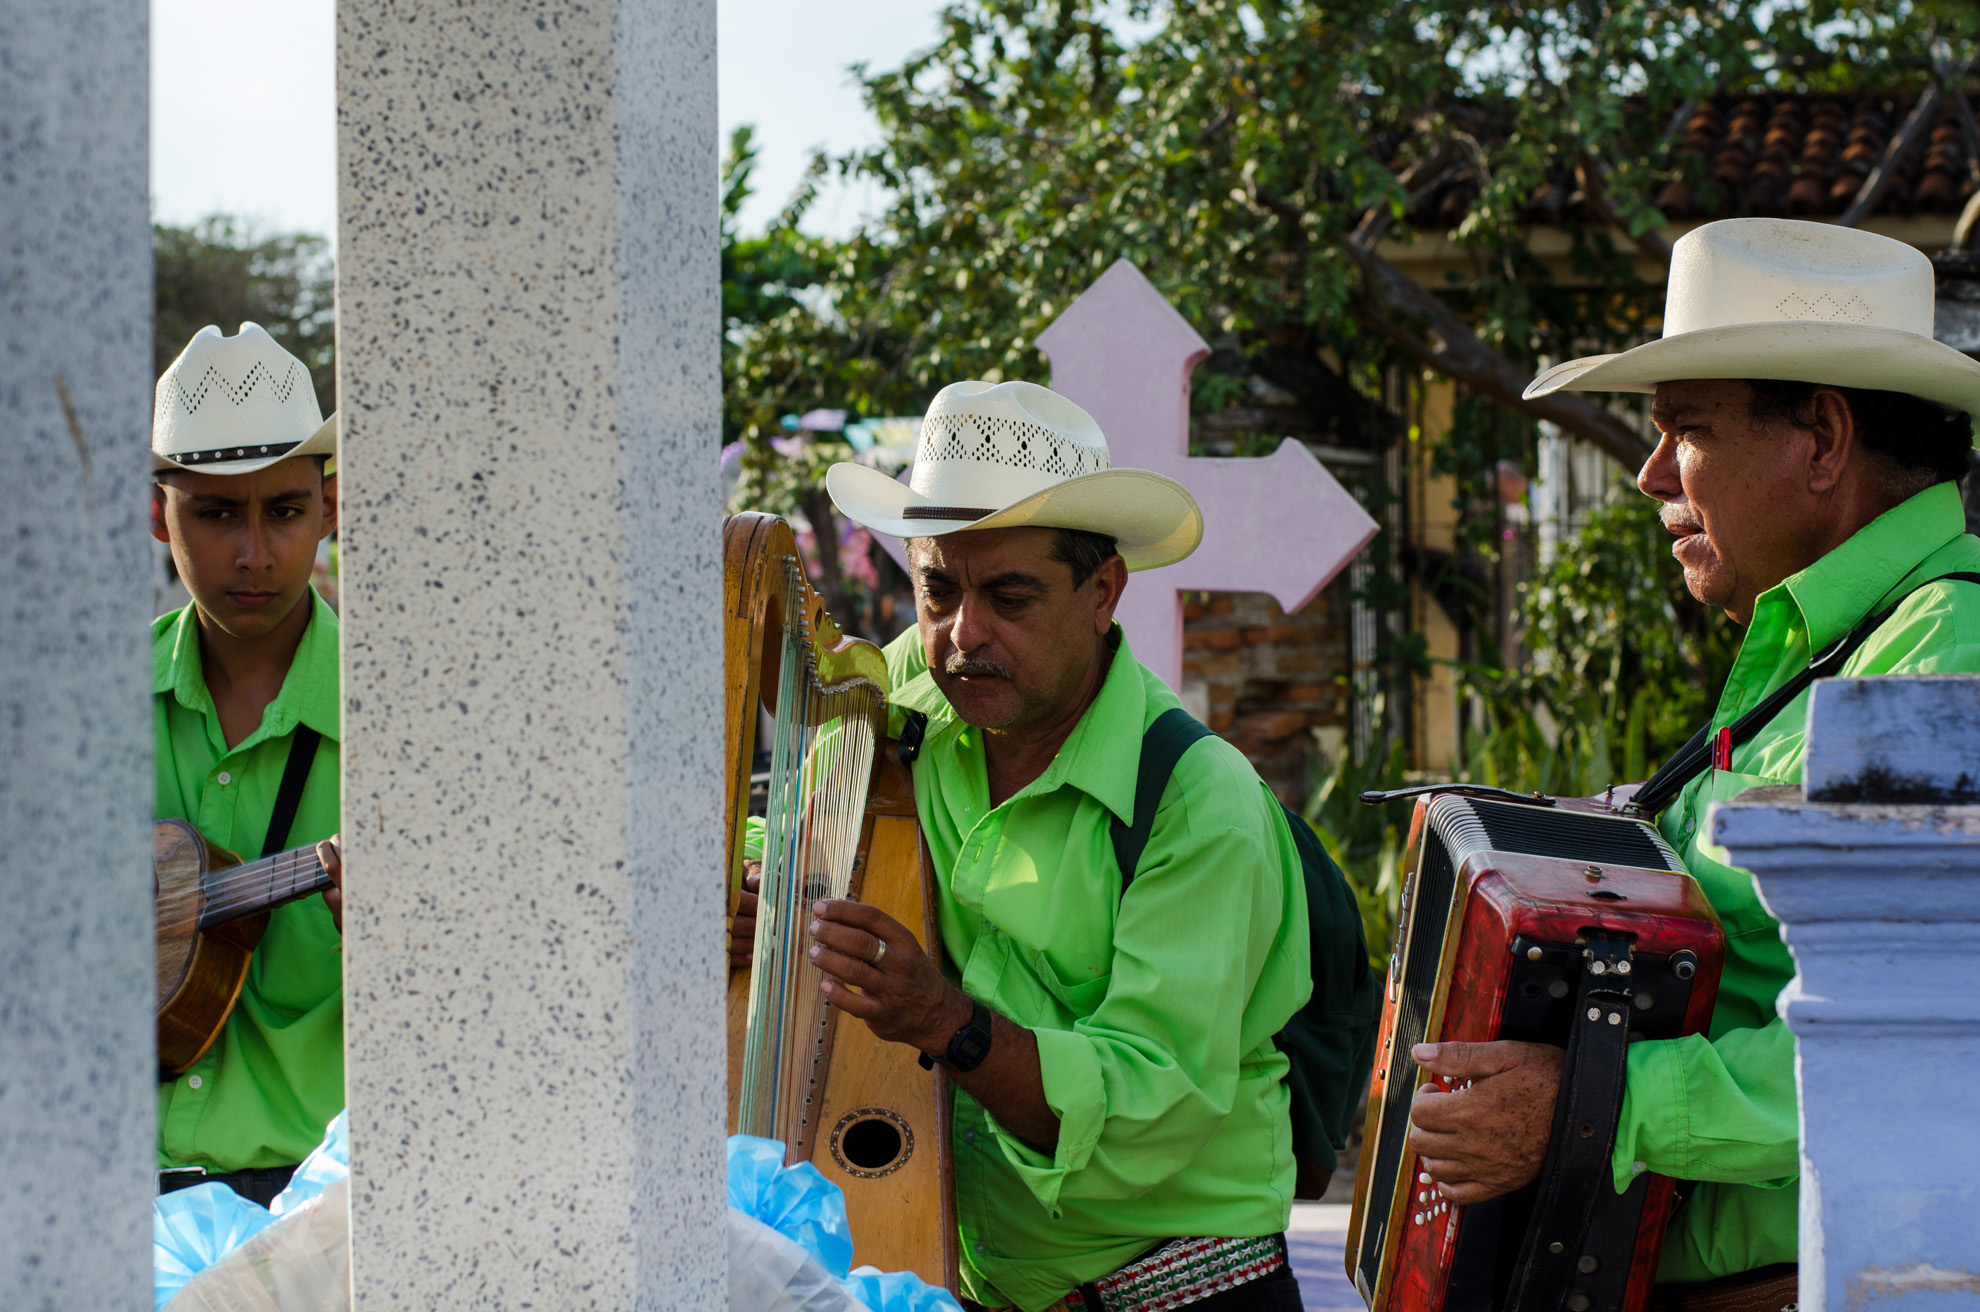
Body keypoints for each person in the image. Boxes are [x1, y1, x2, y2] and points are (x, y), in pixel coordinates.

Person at [1406, 218, 1980, 1307]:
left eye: (1688, 429)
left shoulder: (1945, 655)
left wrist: (1595, 1104)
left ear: (1823, 438)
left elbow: (1926, 1039)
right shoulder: (1832, 646)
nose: (1650, 472)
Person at [736, 380, 1314, 1311]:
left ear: (1102, 591)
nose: (964, 634)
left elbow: (1144, 1111)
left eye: (1010, 597)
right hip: (974, 1282)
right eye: (938, 590)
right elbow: (805, 821)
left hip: (1180, 1292)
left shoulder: (1198, 802)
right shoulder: (909, 690)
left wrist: (942, 1019)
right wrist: (753, 887)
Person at [151, 322, 348, 1206]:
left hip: (319, 1210)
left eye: (285, 511)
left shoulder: (412, 726)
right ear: (157, 515)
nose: (255, 555)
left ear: (330, 509)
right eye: (217, 513)